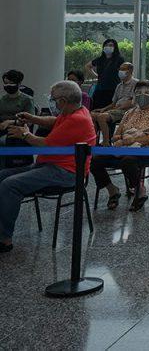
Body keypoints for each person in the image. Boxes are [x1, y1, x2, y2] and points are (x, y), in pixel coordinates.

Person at [0, 80, 96, 253]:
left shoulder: (77, 119)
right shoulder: (76, 111)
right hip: (49, 165)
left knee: (10, 185)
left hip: (66, 172)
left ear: (63, 101)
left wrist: (25, 135)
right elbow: (55, 121)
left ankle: (4, 238)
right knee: (2, 175)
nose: (52, 102)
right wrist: (33, 118)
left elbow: (44, 144)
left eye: (53, 99)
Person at [91, 80, 149, 212]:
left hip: (147, 149)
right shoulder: (129, 113)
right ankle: (112, 190)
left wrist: (134, 139)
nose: (142, 95)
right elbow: (117, 134)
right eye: (138, 92)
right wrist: (119, 139)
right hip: (123, 148)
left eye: (147, 93)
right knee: (95, 160)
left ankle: (139, 191)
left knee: (128, 161)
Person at [91, 62, 137, 145]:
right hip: (116, 109)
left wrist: (116, 108)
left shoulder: (136, 84)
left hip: (127, 111)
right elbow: (113, 103)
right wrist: (103, 109)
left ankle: (106, 143)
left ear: (130, 71)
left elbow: (132, 102)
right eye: (120, 69)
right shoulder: (119, 86)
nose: (120, 71)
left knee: (101, 117)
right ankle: (94, 141)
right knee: (92, 115)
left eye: (123, 69)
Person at [0, 70, 35, 169]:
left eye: (11, 83)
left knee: (4, 142)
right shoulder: (2, 100)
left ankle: (7, 169)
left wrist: (11, 122)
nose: (8, 86)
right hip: (2, 128)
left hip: (17, 129)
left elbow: (30, 121)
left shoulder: (27, 100)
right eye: (6, 83)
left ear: (19, 84)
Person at [86, 38, 124, 109]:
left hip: (113, 89)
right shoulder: (100, 59)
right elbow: (88, 66)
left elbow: (123, 71)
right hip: (100, 89)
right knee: (96, 108)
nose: (108, 47)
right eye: (106, 45)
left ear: (115, 47)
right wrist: (96, 76)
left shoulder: (119, 59)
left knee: (109, 110)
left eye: (111, 45)